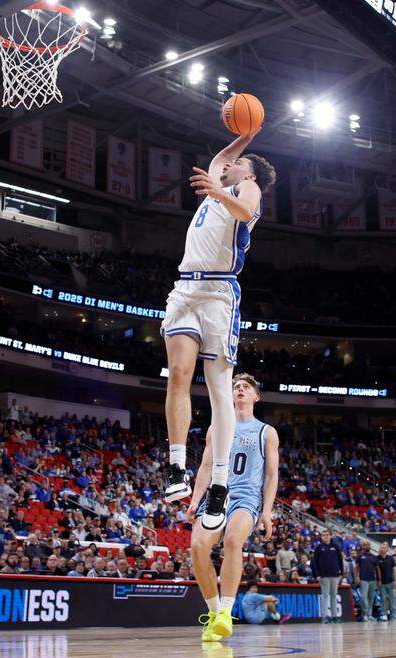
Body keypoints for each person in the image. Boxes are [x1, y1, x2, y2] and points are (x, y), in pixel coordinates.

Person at [161, 129, 277, 536]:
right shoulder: (222, 178)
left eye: (239, 165)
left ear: (251, 175)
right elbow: (222, 157)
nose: (230, 166)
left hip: (218, 293)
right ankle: (177, 466)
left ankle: (220, 484)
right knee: (177, 375)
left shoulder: (247, 190)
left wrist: (219, 186)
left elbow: (245, 211)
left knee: (217, 388)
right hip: (185, 288)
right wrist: (248, 132)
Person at [188, 374, 279, 643]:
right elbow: (205, 466)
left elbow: (272, 474)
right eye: (236, 387)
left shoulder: (266, 432)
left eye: (245, 387)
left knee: (232, 540)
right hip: (217, 494)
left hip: (247, 497)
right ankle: (215, 614)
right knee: (197, 547)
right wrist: (195, 498)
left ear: (256, 397)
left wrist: (267, 511)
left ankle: (226, 613)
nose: (239, 389)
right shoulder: (216, 427)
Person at [312, 530, 345, 623]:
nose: (325, 537)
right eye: (323, 535)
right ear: (321, 537)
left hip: (335, 575)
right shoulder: (319, 547)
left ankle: (334, 616)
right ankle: (324, 616)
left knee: (334, 596)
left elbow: (340, 560)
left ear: (330, 536)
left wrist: (341, 572)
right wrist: (317, 574)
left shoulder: (335, 547)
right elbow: (314, 562)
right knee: (325, 595)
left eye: (327, 535)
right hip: (324, 575)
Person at [356, 542, 379, 621]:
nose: (367, 546)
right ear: (363, 546)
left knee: (371, 598)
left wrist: (378, 579)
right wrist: (357, 577)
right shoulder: (360, 556)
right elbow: (357, 567)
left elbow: (377, 569)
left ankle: (369, 615)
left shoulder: (374, 557)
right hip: (363, 579)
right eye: (366, 545)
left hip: (372, 579)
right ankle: (364, 614)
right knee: (363, 597)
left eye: (369, 545)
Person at [376, 543, 396, 621]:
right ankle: (384, 614)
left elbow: (394, 569)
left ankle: (393, 615)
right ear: (379, 549)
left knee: (393, 599)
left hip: (391, 582)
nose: (382, 549)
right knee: (383, 599)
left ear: (386, 549)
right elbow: (377, 570)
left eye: (384, 548)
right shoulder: (377, 558)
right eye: (381, 548)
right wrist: (378, 580)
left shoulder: (390, 558)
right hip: (382, 582)